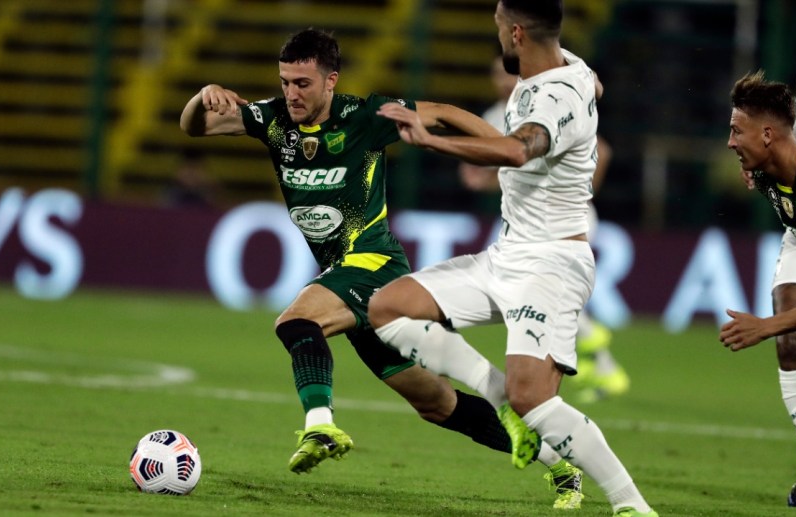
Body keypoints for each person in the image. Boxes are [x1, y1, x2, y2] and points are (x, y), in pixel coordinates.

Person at [179, 28, 584, 509]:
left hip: (373, 265)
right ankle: (561, 462)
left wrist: (508, 150)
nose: (292, 93)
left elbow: (444, 113)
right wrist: (202, 96)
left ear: (331, 81)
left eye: (303, 83)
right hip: (345, 275)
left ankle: (320, 426)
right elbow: (194, 127)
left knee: (296, 322)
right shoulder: (273, 119)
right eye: (285, 82)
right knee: (437, 404)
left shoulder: (365, 116)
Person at [371, 2, 656, 516]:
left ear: (518, 33)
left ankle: (630, 504)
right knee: (388, 307)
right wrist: (435, 112)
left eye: (500, 28)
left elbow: (518, 150)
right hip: (507, 253)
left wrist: (432, 141)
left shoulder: (556, 95)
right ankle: (500, 401)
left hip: (551, 264)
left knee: (536, 401)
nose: (498, 37)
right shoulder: (568, 68)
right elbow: (592, 87)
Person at [459, 55, 630, 404]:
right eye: (497, 75)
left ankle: (584, 346)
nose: (503, 81)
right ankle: (604, 367)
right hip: (525, 221)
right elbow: (508, 173)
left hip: (567, 219)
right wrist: (480, 177)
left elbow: (602, 150)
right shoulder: (494, 116)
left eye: (508, 73)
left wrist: (581, 194)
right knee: (545, 297)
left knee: (539, 294)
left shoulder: (544, 103)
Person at [721, 67, 796, 511]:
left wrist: (764, 326)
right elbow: (782, 123)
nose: (729, 143)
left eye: (735, 134)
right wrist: (758, 158)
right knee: (792, 341)